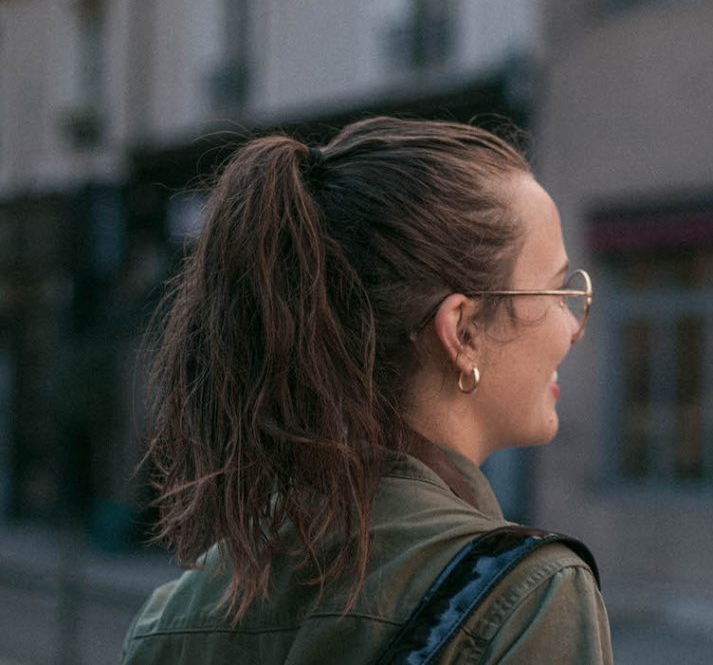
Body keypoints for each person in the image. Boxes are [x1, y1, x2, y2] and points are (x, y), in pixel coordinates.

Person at [121, 117, 612, 663]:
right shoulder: (531, 597)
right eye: (555, 289)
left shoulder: (169, 618)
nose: (573, 326)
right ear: (463, 331)